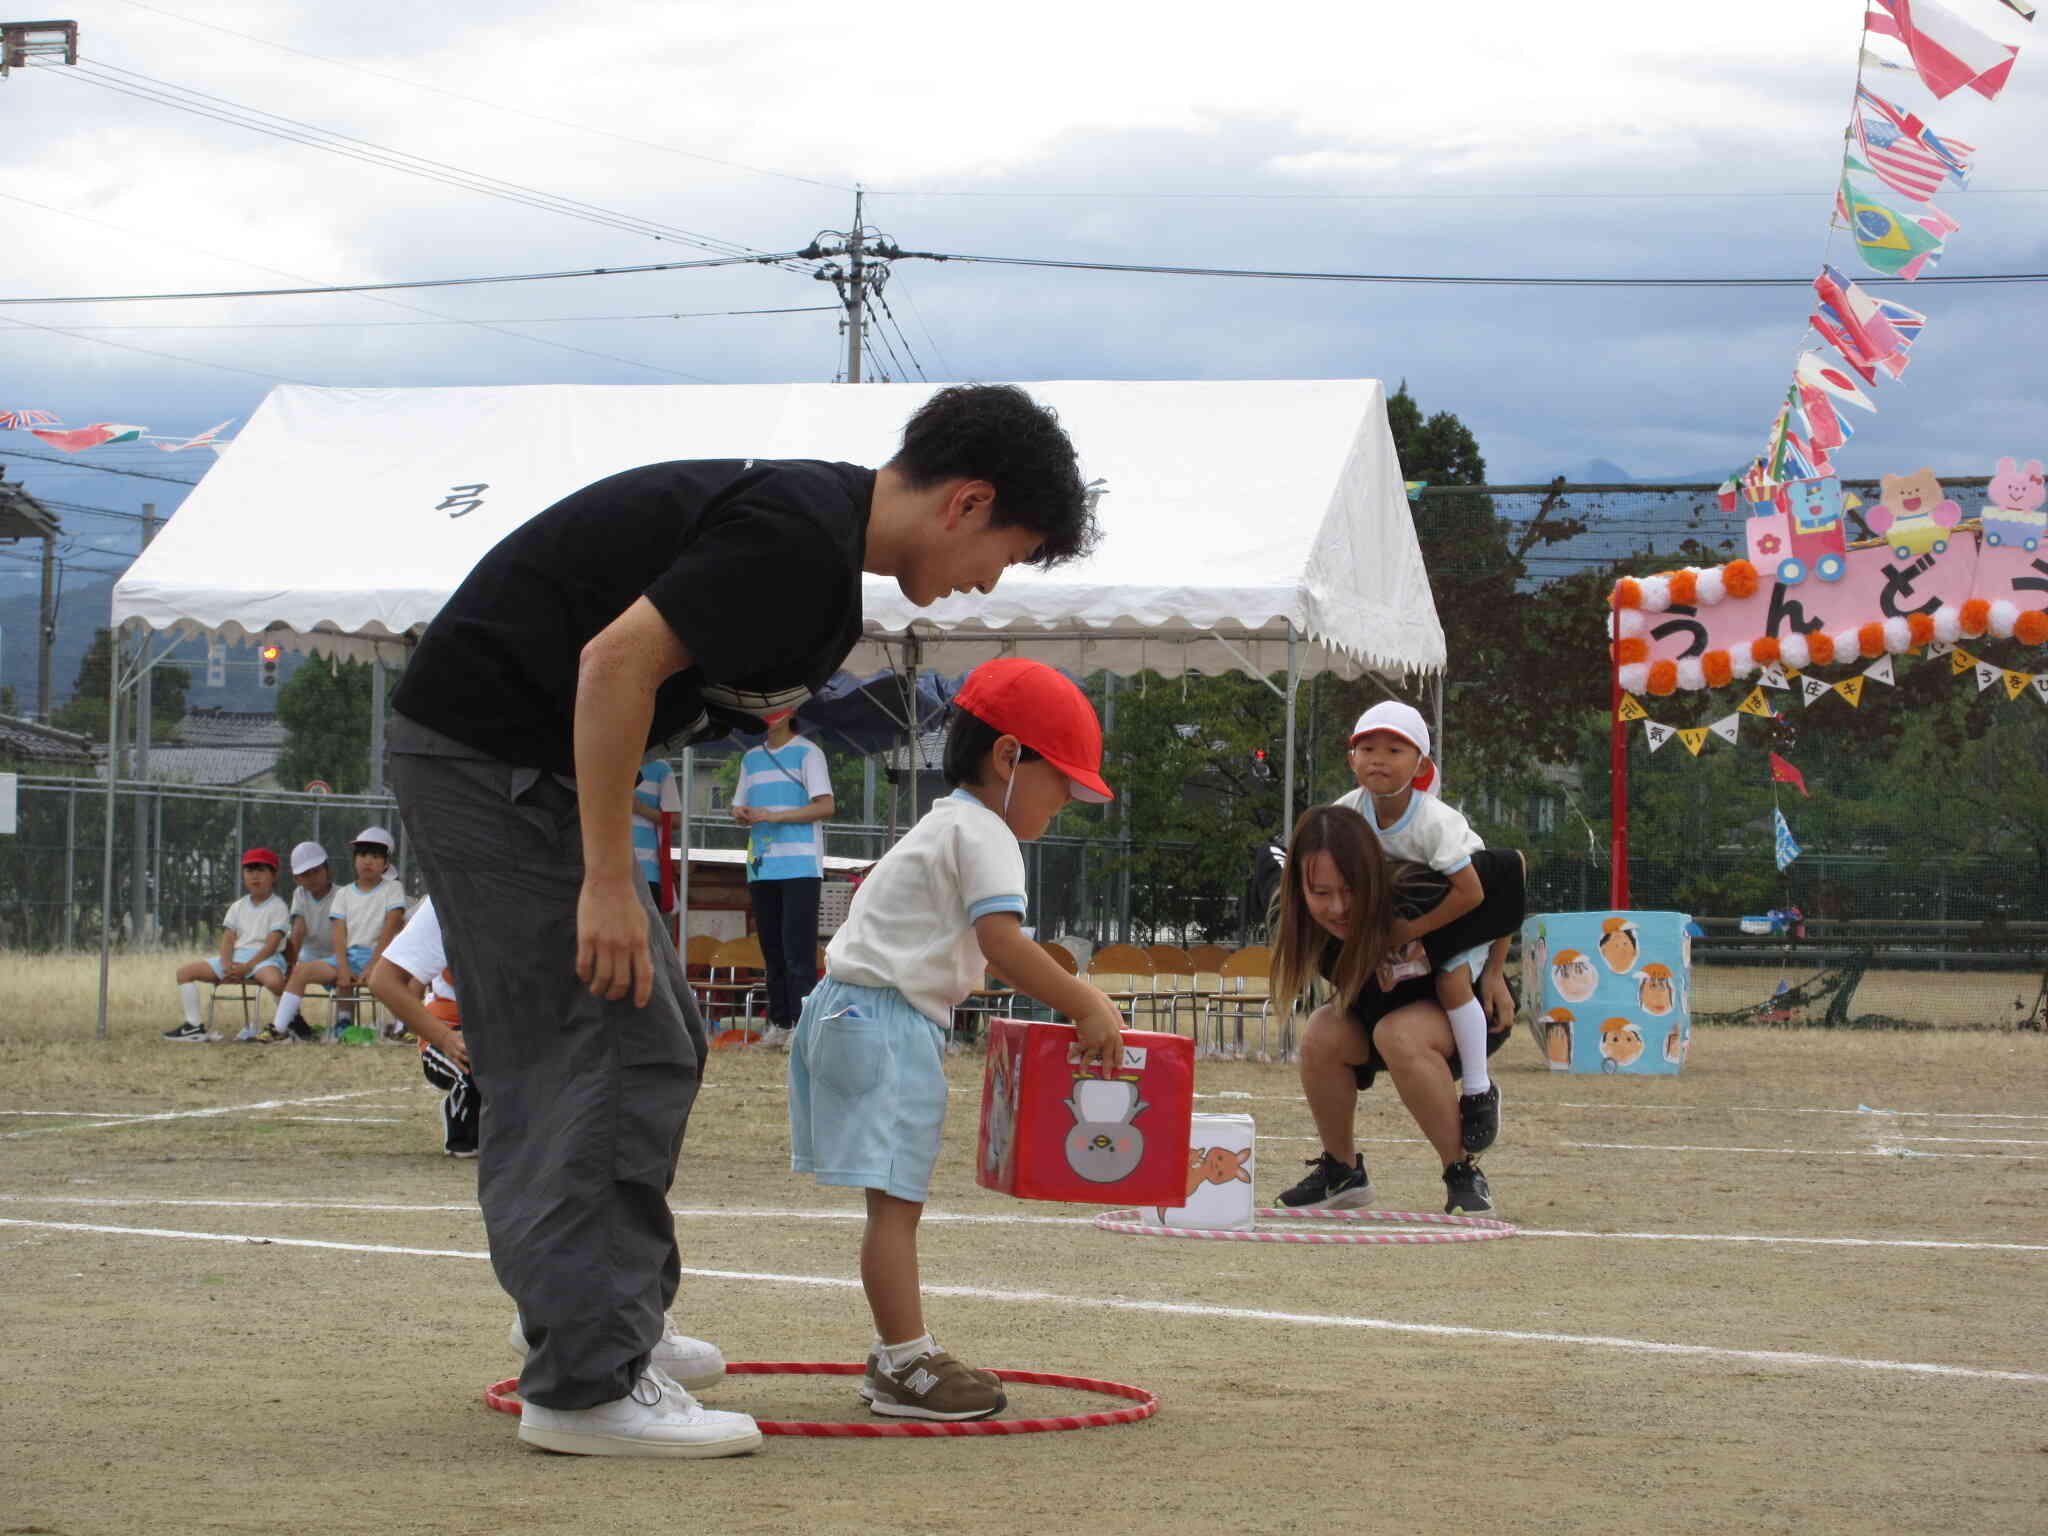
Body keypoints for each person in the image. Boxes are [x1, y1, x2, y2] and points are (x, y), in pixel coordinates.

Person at [383, 384, 1098, 1458]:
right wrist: (608, 880)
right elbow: (612, 662)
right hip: (490, 763)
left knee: (659, 1031)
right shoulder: (795, 541)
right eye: (1004, 549)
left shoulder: (819, 565)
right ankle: (585, 1384)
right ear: (967, 501)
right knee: (594, 1043)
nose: (984, 582)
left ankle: (617, 1322)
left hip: (513, 762)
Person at [791, 658, 1126, 1422]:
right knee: (897, 1206)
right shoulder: (987, 832)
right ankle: (904, 1361)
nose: (1065, 804)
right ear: (1008, 756)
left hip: (853, 1010)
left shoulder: (945, 820)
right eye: (1061, 784)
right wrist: (1085, 1004)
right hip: (885, 1020)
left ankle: (899, 1355)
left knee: (892, 1202)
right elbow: (1000, 940)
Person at [1269, 804, 1524, 1217]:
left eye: (1351, 890)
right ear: (1300, 886)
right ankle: (1342, 1173)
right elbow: (1270, 858)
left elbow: (1511, 870)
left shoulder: (1418, 889)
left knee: (1397, 1032)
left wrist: (1495, 971)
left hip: (1460, 1014)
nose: (1337, 908)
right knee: (1321, 1029)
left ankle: (1461, 1170)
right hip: (1373, 1014)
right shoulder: (1286, 902)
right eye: (1321, 893)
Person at [1335, 700, 1502, 1154]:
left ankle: (1477, 1087)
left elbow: (1475, 892)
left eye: (1394, 749)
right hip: (1408, 921)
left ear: (1421, 764)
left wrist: (1410, 934)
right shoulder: (1347, 814)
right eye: (1366, 748)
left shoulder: (1435, 821)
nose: (1377, 759)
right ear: (1351, 759)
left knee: (1450, 981)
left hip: (1461, 915)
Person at [731, 710, 834, 1048]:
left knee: (797, 949)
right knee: (771, 949)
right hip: (760, 864)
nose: (768, 717)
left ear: (790, 714)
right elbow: (738, 806)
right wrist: (742, 813)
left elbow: (825, 806)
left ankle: (802, 1027)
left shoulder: (808, 753)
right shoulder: (750, 759)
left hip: (801, 864)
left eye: (775, 710)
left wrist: (778, 816)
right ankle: (778, 1023)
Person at [365, 894, 479, 1157]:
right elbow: (394, 982)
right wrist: (442, 1037)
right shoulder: (447, 900)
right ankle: (461, 1129)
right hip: (451, 1030)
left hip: (500, 1032)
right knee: (470, 1065)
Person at [163, 848, 289, 1042]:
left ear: (274, 875)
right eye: (249, 870)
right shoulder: (237, 906)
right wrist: (226, 965)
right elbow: (228, 939)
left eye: (261, 870)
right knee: (184, 973)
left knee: (275, 982)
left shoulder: (278, 906)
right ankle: (194, 1027)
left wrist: (248, 966)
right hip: (236, 959)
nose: (255, 876)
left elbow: (271, 945)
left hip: (265, 959)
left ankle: (285, 1025)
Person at [631, 758, 676, 912]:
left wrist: (640, 808)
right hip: (605, 867)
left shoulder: (660, 768)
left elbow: (676, 820)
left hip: (646, 869)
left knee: (646, 933)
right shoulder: (603, 757)